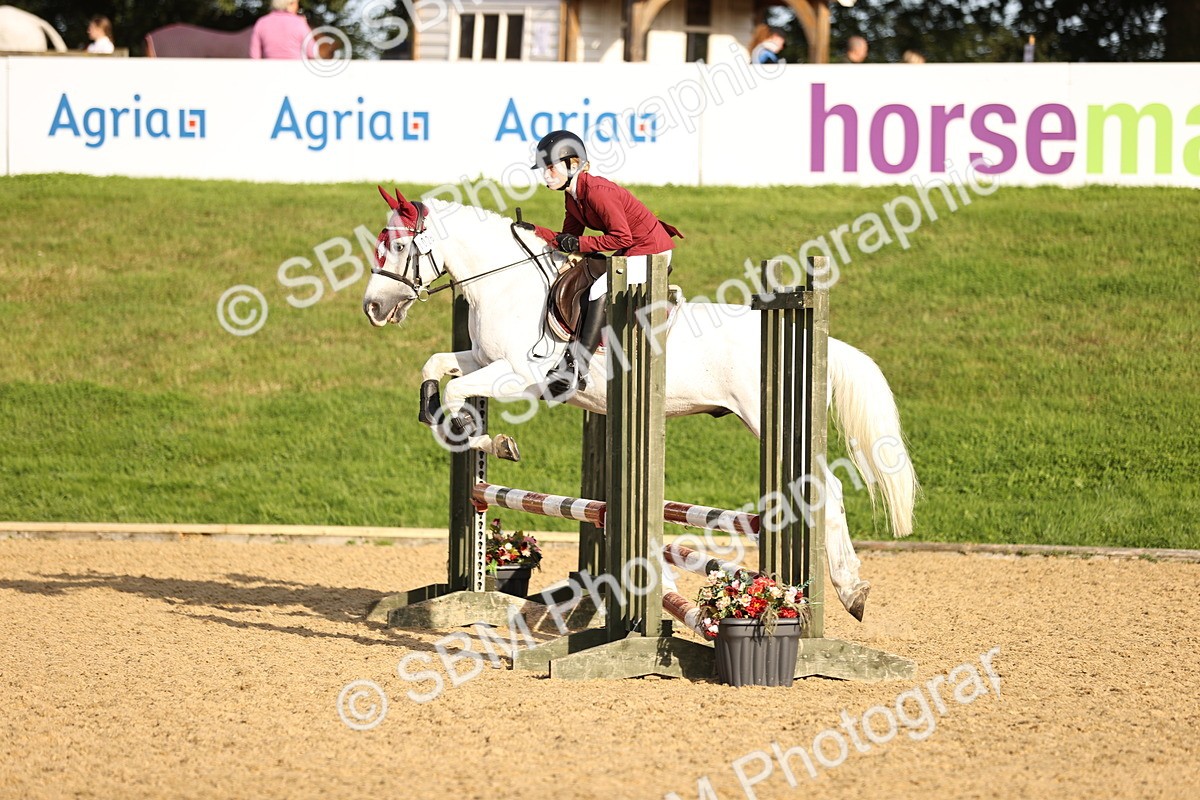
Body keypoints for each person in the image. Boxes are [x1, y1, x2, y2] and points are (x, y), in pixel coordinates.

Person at [524, 130, 683, 399]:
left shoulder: (598, 192)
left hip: (652, 253)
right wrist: (535, 231)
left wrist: (581, 246)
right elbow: (569, 238)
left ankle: (578, 366)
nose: (546, 175)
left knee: (598, 289)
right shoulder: (573, 195)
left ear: (572, 165)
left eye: (550, 168)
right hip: (630, 251)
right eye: (544, 169)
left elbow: (621, 236)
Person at [249, 0, 314, 59]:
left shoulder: (261, 22)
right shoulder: (299, 22)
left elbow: (254, 55)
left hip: (270, 70)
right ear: (290, 4)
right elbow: (312, 53)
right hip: (296, 69)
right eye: (296, 3)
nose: (297, 7)